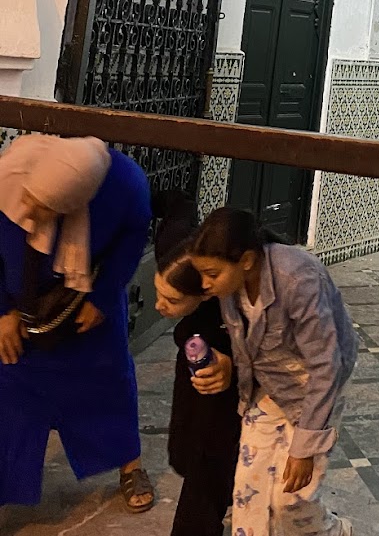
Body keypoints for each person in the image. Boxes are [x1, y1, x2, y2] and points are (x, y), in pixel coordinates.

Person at [0, 134, 154, 512]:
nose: (31, 215)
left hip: (85, 297)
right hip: (17, 308)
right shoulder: (8, 179)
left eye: (45, 209)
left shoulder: (123, 183)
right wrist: (3, 311)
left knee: (109, 380)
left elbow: (134, 234)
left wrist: (102, 297)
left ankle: (130, 465)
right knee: (9, 392)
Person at [190, 207, 357, 536]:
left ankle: (333, 531)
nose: (204, 284)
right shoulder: (230, 285)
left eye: (211, 274)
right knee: (247, 493)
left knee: (290, 501)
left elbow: (326, 364)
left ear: (247, 261)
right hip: (267, 388)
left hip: (317, 388)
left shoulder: (297, 280)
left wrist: (304, 448)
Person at [153, 193, 240, 536]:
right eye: (158, 293)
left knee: (217, 467)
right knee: (191, 451)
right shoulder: (175, 253)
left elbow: (290, 359)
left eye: (171, 300)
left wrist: (234, 365)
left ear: (207, 290)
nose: (159, 306)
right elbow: (180, 204)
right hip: (200, 359)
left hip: (252, 374)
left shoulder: (247, 294)